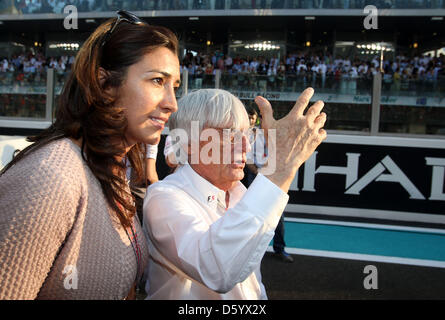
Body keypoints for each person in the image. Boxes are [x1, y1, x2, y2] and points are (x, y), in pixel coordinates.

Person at [0, 10, 180, 299]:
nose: (172, 104)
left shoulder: (116, 170)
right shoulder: (51, 177)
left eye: (175, 86)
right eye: (158, 81)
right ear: (105, 85)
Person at [143, 88, 326, 299]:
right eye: (229, 134)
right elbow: (215, 270)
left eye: (248, 134)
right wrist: (279, 169)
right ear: (188, 144)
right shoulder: (162, 197)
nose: (246, 146)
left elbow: (252, 286)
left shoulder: (242, 195)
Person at [243, 105, 294, 263]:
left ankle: (279, 249)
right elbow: (248, 159)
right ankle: (247, 250)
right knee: (251, 213)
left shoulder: (276, 136)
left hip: (272, 177)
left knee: (277, 214)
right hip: (256, 176)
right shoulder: (251, 135)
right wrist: (260, 174)